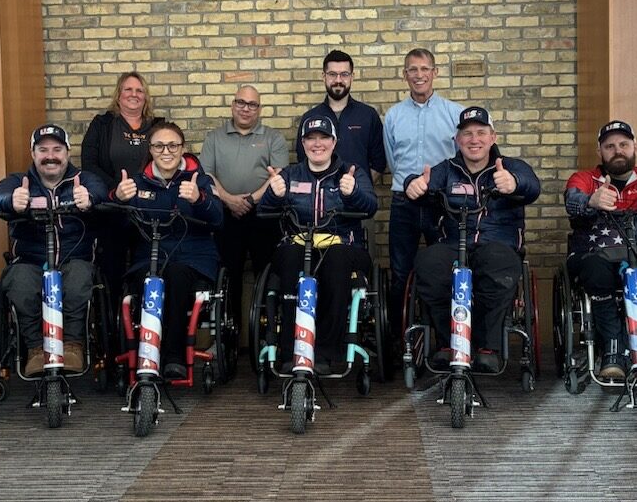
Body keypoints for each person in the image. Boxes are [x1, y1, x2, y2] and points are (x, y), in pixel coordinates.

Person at [406, 107, 540, 370]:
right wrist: (413, 184)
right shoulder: (446, 170)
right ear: (457, 140)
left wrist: (514, 183)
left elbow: (532, 185)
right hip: (452, 245)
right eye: (467, 134)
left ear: (493, 137)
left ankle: (487, 345)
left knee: (498, 266)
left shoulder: (510, 167)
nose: (474, 139)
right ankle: (447, 342)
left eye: (481, 133)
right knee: (429, 263)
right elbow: (422, 182)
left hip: (497, 245)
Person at [564, 120, 637, 379]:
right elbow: (572, 201)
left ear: (635, 147)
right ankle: (612, 347)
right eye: (609, 146)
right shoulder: (585, 179)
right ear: (600, 152)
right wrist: (591, 200)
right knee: (594, 267)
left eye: (623, 144)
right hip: (593, 256)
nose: (617, 150)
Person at [260, 115, 377, 373]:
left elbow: (371, 207)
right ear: (302, 143)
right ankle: (292, 350)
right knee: (290, 255)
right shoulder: (289, 174)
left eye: (323, 137)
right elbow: (262, 211)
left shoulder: (351, 173)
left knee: (336, 260)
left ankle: (324, 351)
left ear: (334, 142)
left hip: (343, 247)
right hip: (298, 246)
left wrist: (353, 193)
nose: (317, 144)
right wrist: (273, 194)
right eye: (311, 138)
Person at [0, 124, 109, 376]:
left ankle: (73, 346)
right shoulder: (18, 182)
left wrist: (89, 200)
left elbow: (101, 193)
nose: (50, 155)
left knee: (78, 278)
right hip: (30, 261)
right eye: (43, 149)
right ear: (33, 153)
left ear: (67, 153)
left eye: (57, 149)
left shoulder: (84, 180)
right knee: (19, 281)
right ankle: (35, 349)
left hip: (74, 259)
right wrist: (12, 201)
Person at [113, 120, 223, 381]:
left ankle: (172, 356)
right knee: (149, 280)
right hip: (148, 259)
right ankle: (144, 354)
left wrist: (200, 200)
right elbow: (118, 229)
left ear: (182, 148)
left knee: (174, 276)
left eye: (173, 145)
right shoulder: (135, 183)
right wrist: (118, 200)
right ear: (150, 150)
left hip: (193, 259)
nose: (166, 151)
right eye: (159, 145)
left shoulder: (200, 180)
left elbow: (219, 220)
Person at [383, 47, 464, 335]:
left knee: (441, 272)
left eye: (424, 69)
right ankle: (398, 339)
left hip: (441, 205)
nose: (419, 75)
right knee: (400, 273)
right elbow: (393, 161)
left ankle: (440, 338)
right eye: (412, 70)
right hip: (403, 204)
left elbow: (460, 160)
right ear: (405, 75)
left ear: (435, 73)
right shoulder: (393, 116)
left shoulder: (455, 114)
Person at [199, 85, 288, 339]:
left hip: (264, 216)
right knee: (229, 278)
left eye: (252, 104)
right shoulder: (215, 137)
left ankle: (269, 334)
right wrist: (229, 200)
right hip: (226, 216)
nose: (246, 108)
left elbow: (278, 175)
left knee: (267, 274)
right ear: (232, 104)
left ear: (259, 109)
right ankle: (231, 337)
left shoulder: (273, 138)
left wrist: (249, 200)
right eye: (241, 102)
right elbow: (206, 176)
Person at [81, 71, 160, 327]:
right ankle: (112, 331)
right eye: (128, 89)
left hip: (147, 211)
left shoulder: (158, 126)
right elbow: (89, 164)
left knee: (146, 269)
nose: (134, 95)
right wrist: (117, 189)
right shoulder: (102, 124)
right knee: (111, 272)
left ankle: (143, 327)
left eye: (139, 90)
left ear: (145, 96)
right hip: (111, 210)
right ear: (119, 94)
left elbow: (170, 163)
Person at [296, 49, 386, 184]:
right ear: (323, 76)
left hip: (358, 200)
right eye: (332, 74)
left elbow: (379, 162)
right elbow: (303, 160)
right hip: (321, 200)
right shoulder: (310, 118)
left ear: (352, 76)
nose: (338, 80)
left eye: (344, 74)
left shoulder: (368, 115)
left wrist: (359, 187)